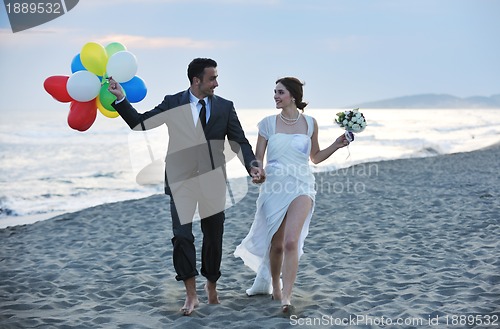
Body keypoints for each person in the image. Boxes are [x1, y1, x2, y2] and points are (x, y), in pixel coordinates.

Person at [108, 58, 265, 316]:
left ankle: (211, 285)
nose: (217, 82)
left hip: (213, 182)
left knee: (213, 237)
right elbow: (140, 123)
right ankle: (191, 294)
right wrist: (121, 98)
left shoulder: (225, 107)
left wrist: (252, 166)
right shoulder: (173, 102)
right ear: (196, 80)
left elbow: (239, 140)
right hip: (181, 181)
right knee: (182, 236)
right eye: (212, 78)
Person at [234, 77, 349, 314]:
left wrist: (337, 145)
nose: (275, 96)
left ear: (293, 96)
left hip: (301, 184)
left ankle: (287, 294)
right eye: (274, 92)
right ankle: (274, 283)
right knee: (276, 245)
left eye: (280, 92)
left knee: (290, 242)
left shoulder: (310, 123)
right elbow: (258, 159)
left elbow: (315, 158)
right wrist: (258, 173)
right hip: (274, 187)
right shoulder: (266, 124)